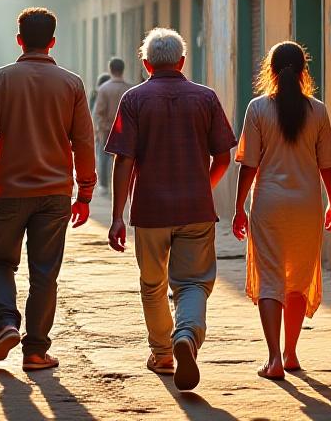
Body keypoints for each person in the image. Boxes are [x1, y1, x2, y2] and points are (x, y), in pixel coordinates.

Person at [105, 28, 236, 391]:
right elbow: (223, 156)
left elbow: (124, 160)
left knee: (153, 284)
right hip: (195, 208)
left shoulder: (134, 99)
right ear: (181, 62)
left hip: (149, 211)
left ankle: (162, 353)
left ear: (145, 64)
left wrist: (117, 215)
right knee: (192, 282)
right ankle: (187, 336)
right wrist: (202, 186)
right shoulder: (205, 98)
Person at [0, 7, 96, 371]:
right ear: (53, 41)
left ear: (19, 40)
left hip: (9, 190)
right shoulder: (71, 83)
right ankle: (36, 351)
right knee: (44, 273)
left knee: (0, 263)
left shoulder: (0, 79)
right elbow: (83, 142)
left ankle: (6, 323)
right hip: (55, 193)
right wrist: (85, 191)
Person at [231, 41, 331, 381]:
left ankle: (274, 358)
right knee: (297, 279)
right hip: (307, 206)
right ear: (304, 72)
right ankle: (292, 353)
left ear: (271, 72)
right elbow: (327, 167)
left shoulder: (258, 109)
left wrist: (238, 208)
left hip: (269, 205)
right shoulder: (317, 111)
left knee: (271, 278)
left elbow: (248, 166)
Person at [92, 58, 133, 194]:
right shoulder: (129, 89)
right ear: (123, 69)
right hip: (126, 129)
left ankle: (103, 186)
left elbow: (98, 112)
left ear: (110, 70)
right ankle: (125, 185)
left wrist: (99, 128)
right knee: (125, 158)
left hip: (108, 128)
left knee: (104, 157)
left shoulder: (104, 89)